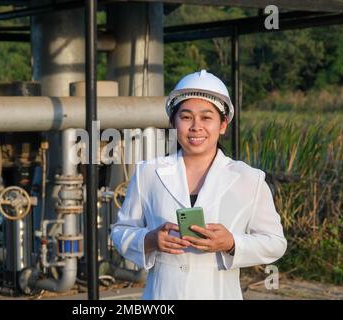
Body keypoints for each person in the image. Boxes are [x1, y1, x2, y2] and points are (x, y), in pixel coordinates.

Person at [110, 70, 287, 300]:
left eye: (206, 117)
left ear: (223, 124)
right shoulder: (149, 173)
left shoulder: (249, 179)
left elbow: (275, 243)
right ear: (172, 122)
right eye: (185, 117)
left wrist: (232, 243)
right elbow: (120, 232)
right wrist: (150, 240)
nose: (196, 127)